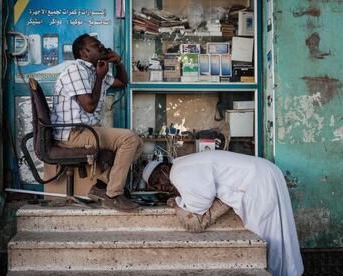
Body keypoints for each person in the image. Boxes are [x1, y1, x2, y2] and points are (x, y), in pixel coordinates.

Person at [143, 150, 304, 276]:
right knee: (280, 233)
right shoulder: (183, 165)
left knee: (271, 238)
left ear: (164, 169)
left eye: (158, 181)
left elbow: (199, 206)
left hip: (257, 183)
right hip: (264, 173)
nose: (160, 187)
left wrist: (177, 203)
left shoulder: (177, 173)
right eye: (155, 187)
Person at [51, 33, 142, 212]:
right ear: (84, 53)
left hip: (87, 131)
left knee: (137, 143)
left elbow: (122, 82)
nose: (101, 47)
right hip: (72, 134)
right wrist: (100, 77)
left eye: (100, 43)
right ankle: (113, 195)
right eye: (95, 45)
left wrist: (118, 63)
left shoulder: (94, 70)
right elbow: (89, 106)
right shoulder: (76, 70)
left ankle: (102, 187)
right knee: (129, 138)